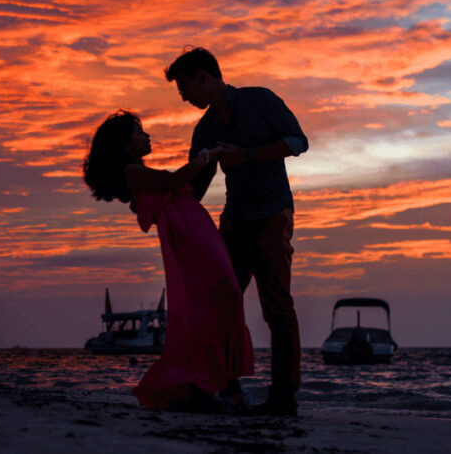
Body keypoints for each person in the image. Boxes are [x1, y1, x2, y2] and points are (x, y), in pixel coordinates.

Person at [165, 47, 308, 417]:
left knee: (277, 307)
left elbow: (298, 142)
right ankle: (226, 391)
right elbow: (197, 184)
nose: (182, 96)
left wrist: (246, 154)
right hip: (233, 222)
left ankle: (283, 398)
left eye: (184, 86)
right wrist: (167, 209)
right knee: (217, 304)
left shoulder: (260, 100)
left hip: (274, 214)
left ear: (204, 77)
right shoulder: (206, 129)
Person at [83, 110, 254, 413]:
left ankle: (213, 385)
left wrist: (208, 160)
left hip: (195, 230)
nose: (146, 136)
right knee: (221, 298)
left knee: (221, 300)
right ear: (125, 144)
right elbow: (176, 179)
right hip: (189, 238)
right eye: (139, 132)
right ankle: (217, 387)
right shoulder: (131, 172)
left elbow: (181, 182)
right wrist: (206, 154)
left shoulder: (138, 171)